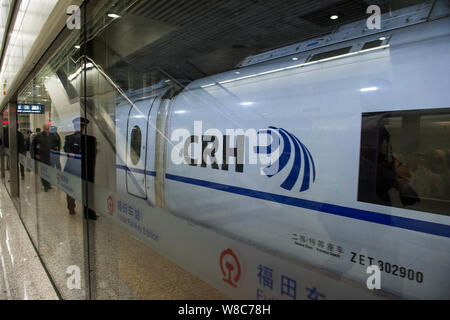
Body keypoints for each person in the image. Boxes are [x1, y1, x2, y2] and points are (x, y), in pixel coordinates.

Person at [64, 117, 97, 220]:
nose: (80, 128)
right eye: (79, 126)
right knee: (70, 190)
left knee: (87, 190)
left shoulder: (89, 139)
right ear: (74, 126)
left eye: (82, 126)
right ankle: (71, 208)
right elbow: (67, 151)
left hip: (85, 169)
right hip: (72, 168)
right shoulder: (69, 138)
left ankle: (88, 212)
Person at [31, 123, 57, 191]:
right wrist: (36, 154)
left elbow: (57, 143)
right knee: (44, 171)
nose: (48, 129)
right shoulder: (39, 136)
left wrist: (57, 150)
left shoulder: (53, 135)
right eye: (46, 128)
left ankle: (48, 184)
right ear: (43, 128)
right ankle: (45, 185)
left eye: (49, 128)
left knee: (50, 171)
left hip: (51, 157)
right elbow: (33, 145)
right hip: (42, 156)